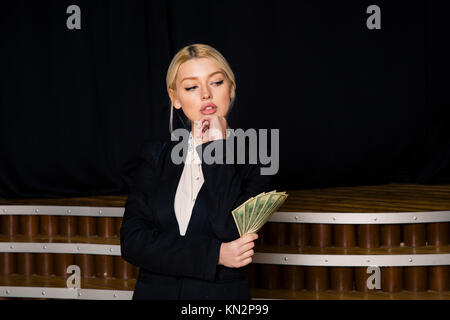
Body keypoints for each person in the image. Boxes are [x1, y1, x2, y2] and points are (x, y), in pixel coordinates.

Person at [120, 43, 273, 300]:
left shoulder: (259, 158)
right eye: (191, 87)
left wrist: (216, 148)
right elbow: (134, 243)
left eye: (216, 83)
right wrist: (216, 255)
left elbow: (228, 228)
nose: (205, 95)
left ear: (231, 89)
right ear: (175, 98)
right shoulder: (155, 157)